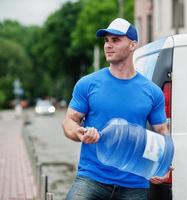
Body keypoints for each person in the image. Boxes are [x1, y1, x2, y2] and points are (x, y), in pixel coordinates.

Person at [62, 18, 169, 200]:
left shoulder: (152, 92)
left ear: (132, 45)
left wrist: (163, 164)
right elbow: (69, 121)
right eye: (106, 41)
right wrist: (80, 133)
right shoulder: (88, 84)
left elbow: (161, 132)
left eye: (116, 40)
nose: (108, 46)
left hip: (135, 184)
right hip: (92, 179)